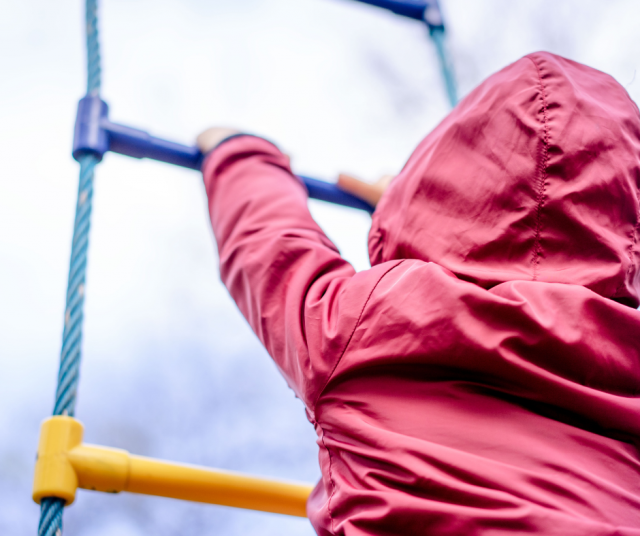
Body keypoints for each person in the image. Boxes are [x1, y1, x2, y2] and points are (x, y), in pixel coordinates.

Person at [196, 52, 640, 535]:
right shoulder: (625, 351)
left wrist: (236, 151)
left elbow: (272, 246)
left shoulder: (365, 325)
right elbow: (546, 229)